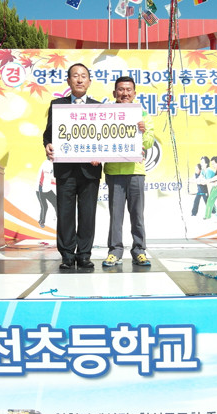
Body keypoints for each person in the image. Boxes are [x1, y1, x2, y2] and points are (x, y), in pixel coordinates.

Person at [43, 63, 102, 270]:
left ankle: (84, 254)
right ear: (68, 81)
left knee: (88, 214)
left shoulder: (99, 108)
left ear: (89, 81)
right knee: (65, 213)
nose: (79, 79)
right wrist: (47, 145)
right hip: (65, 169)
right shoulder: (57, 105)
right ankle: (67, 255)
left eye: (83, 76)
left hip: (90, 169)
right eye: (75, 76)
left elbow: (104, 137)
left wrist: (101, 154)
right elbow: (48, 134)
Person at [102, 76, 154, 267]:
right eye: (121, 89)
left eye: (128, 89)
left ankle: (139, 250)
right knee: (116, 216)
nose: (125, 93)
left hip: (136, 171)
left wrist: (143, 131)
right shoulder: (106, 114)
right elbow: (99, 137)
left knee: (137, 215)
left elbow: (149, 141)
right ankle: (114, 251)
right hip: (114, 171)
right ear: (114, 93)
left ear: (134, 93)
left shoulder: (143, 114)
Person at [36, 159, 57, 229]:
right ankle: (41, 222)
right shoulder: (46, 164)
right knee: (44, 206)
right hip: (40, 190)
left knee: (56, 203)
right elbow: (48, 177)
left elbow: (52, 180)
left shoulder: (52, 164)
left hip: (47, 190)